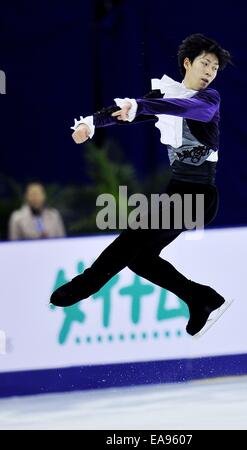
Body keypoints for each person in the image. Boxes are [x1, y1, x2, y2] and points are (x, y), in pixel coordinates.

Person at [50, 33, 232, 336]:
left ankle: (87, 283)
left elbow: (185, 109)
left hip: (200, 195)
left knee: (131, 239)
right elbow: (126, 112)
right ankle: (201, 298)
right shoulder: (163, 96)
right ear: (188, 63)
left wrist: (143, 107)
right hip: (178, 191)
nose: (210, 72)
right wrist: (90, 124)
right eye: (205, 64)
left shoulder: (209, 100)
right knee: (140, 259)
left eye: (214, 68)